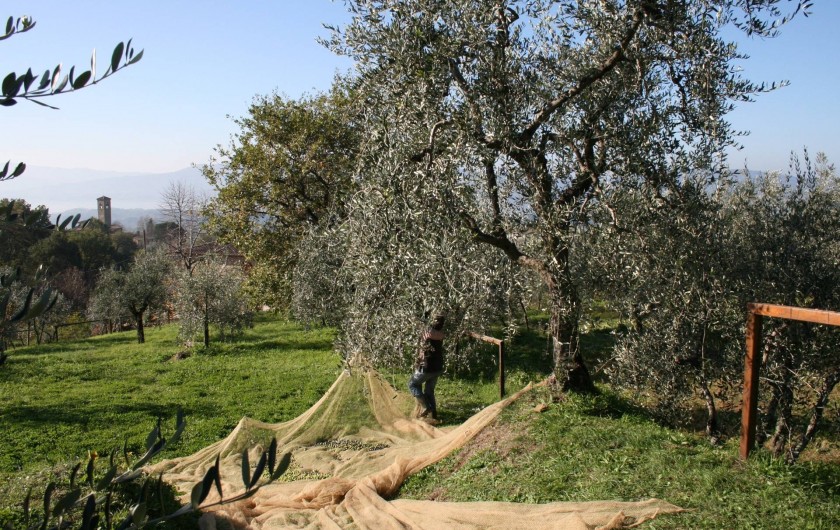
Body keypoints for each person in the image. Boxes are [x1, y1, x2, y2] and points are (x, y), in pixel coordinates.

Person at [408, 313, 445, 422]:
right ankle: (434, 416)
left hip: (427, 367)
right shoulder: (441, 333)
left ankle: (426, 407)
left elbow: (418, 325)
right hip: (438, 367)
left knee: (412, 384)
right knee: (429, 391)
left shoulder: (427, 332)